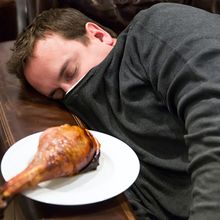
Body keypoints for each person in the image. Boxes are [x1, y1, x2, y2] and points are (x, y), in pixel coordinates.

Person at [7, 2, 220, 220]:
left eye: (71, 71)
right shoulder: (94, 133)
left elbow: (212, 115)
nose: (71, 92)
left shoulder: (157, 27)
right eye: (57, 95)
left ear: (98, 35)